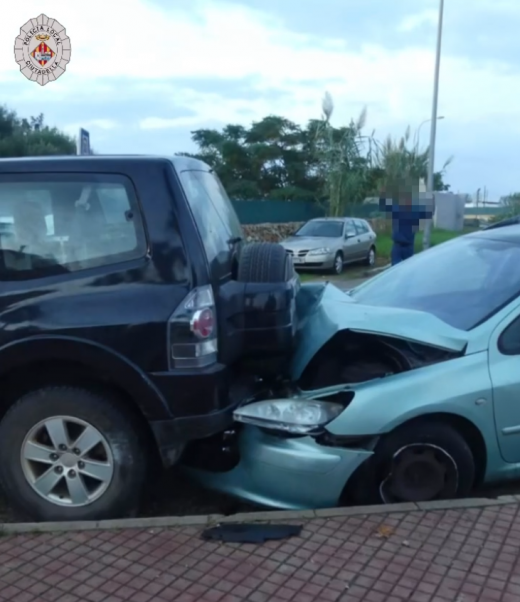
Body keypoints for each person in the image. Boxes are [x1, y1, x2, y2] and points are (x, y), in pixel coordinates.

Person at [379, 183, 433, 266]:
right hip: (398, 247)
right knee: (396, 271)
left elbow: (429, 213)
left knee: (407, 271)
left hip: (408, 247)